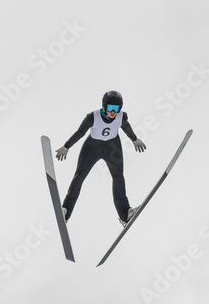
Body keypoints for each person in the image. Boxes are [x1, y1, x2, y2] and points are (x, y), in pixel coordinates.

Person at [56, 90, 147, 226]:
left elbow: (126, 127)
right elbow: (80, 132)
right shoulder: (92, 117)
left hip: (112, 147)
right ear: (104, 106)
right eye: (110, 108)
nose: (113, 112)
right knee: (79, 176)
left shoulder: (121, 116)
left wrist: (134, 139)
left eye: (116, 109)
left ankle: (125, 214)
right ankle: (66, 211)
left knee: (118, 177)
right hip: (92, 147)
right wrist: (67, 146)